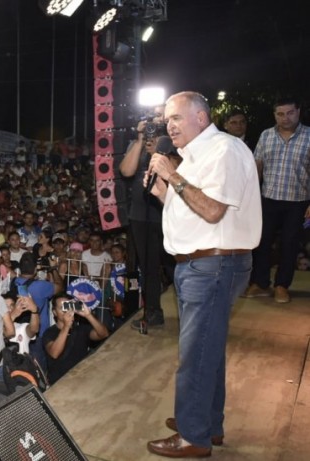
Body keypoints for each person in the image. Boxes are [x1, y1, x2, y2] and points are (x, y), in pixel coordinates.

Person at [144, 91, 261, 457]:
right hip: (200, 264)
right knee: (207, 348)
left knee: (195, 354)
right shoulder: (195, 155)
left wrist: (172, 174)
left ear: (200, 116)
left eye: (176, 117)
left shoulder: (223, 150)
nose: (169, 126)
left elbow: (212, 211)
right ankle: (207, 423)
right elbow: (191, 207)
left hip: (214, 264)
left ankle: (193, 436)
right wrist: (164, 191)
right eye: (167, 119)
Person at [244, 98, 310, 304]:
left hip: (297, 200)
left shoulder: (308, 136)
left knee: (289, 244)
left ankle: (282, 285)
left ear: (298, 111)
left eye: (290, 113)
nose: (285, 118)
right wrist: (250, 196)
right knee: (262, 242)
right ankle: (260, 284)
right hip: (268, 199)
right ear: (274, 115)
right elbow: (257, 167)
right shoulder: (266, 135)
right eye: (280, 114)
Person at [120, 108, 170, 327]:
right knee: (148, 266)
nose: (153, 126)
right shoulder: (137, 144)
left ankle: (191, 311)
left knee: (173, 265)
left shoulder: (171, 144)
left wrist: (159, 149)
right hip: (141, 215)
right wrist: (140, 139)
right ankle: (152, 312)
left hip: (168, 213)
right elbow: (126, 171)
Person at [42, 294, 109, 383]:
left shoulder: (81, 329)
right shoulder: (49, 333)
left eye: (68, 306)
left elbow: (104, 334)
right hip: (60, 382)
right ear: (54, 312)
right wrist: (66, 326)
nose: (66, 311)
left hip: (82, 379)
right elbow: (54, 353)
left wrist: (88, 315)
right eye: (62, 308)